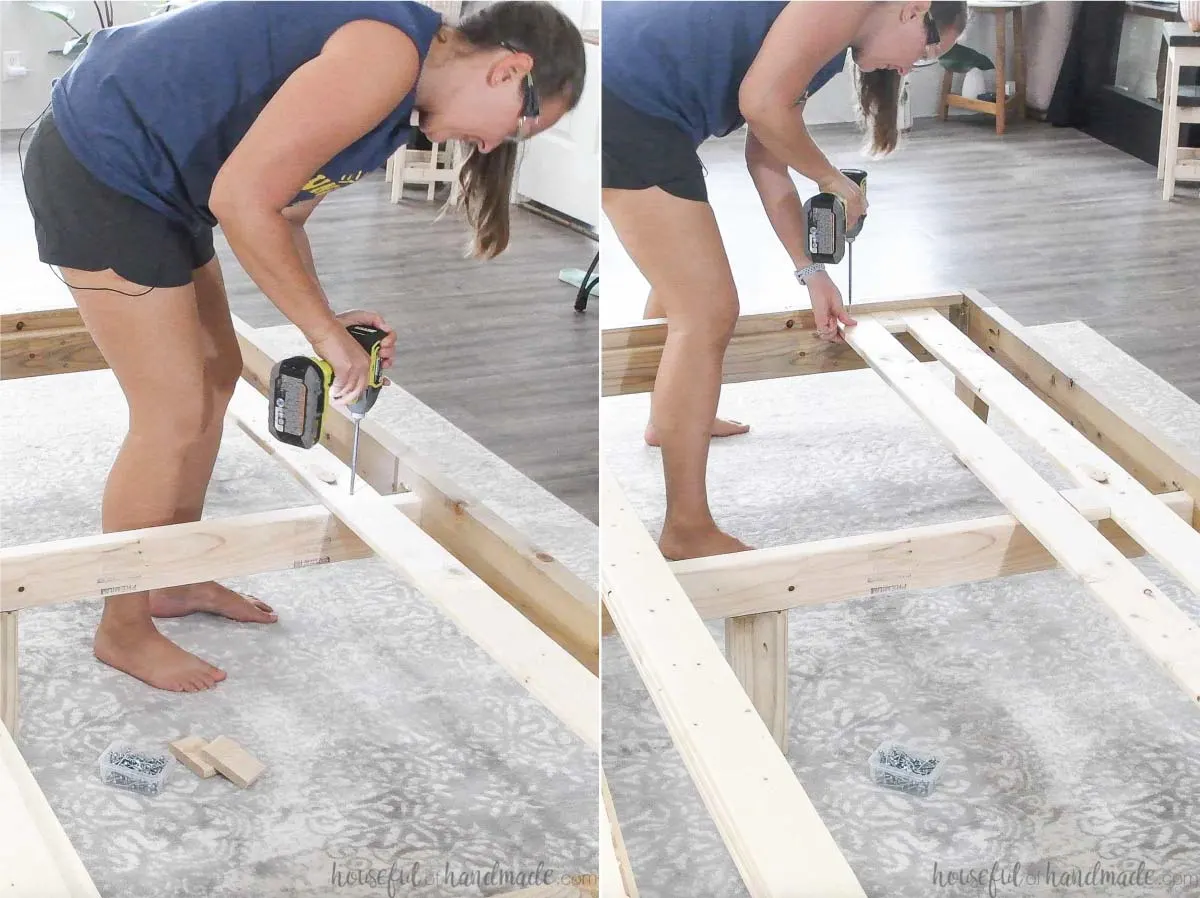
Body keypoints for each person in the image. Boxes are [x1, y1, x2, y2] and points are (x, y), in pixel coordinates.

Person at [21, 0, 586, 693]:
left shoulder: (395, 114)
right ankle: (122, 626)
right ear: (509, 70)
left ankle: (168, 574)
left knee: (216, 374)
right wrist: (318, 332)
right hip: (101, 161)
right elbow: (242, 198)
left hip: (162, 181)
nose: (497, 146)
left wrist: (326, 321)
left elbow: (284, 214)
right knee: (169, 411)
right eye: (524, 126)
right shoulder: (386, 55)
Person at [601, 1, 967, 560]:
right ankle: (687, 530)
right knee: (707, 311)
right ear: (913, 8)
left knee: (683, 287)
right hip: (628, 102)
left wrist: (812, 273)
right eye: (924, 53)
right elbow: (762, 105)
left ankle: (669, 420)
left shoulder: (827, 48)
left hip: (640, 103)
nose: (906, 68)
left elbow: (766, 155)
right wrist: (834, 181)